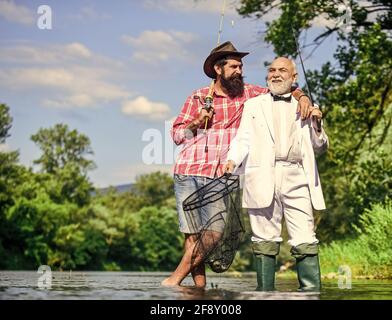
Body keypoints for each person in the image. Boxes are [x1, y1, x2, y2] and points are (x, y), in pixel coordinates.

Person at [162, 43, 313, 288]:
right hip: (188, 171)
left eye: (240, 66)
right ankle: (198, 291)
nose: (239, 70)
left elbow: (284, 87)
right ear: (218, 69)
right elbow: (177, 135)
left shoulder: (252, 94)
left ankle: (172, 282)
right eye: (233, 66)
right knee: (192, 240)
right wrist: (197, 122)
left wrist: (303, 96)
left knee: (212, 236)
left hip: (223, 175)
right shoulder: (198, 97)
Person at [225, 57, 328, 292]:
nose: (276, 74)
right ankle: (264, 295)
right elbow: (243, 138)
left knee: (305, 236)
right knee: (263, 239)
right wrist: (232, 159)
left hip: (297, 175)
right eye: (271, 70)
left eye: (282, 70)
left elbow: (320, 147)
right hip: (261, 174)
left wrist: (317, 124)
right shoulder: (253, 105)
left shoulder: (306, 106)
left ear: (294, 77)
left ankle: (311, 295)